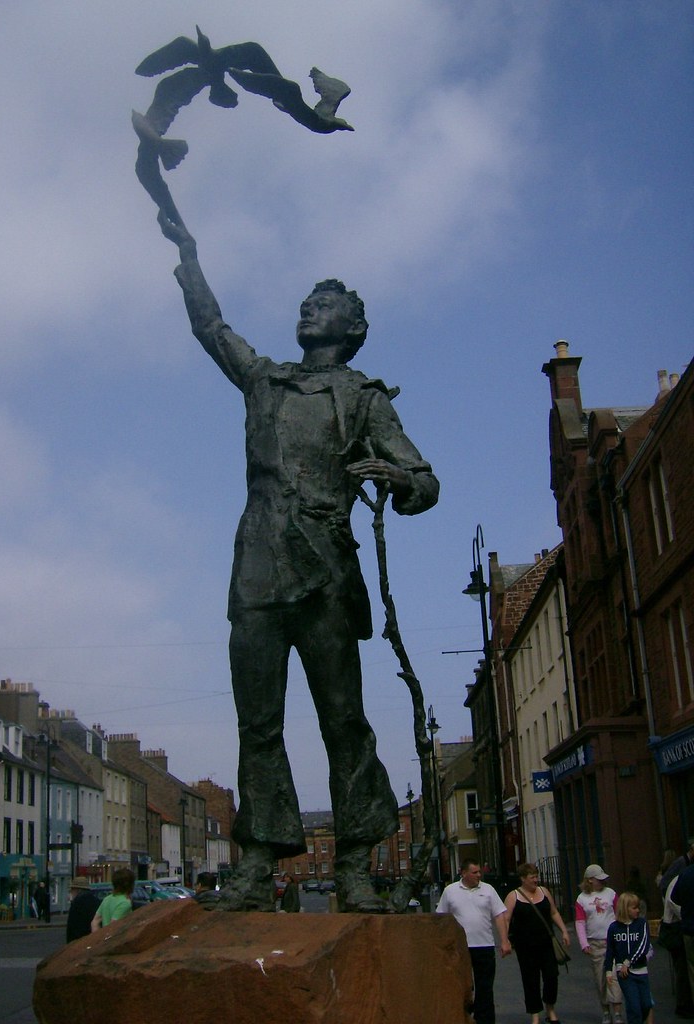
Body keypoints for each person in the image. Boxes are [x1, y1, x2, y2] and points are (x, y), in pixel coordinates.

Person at [157, 212, 439, 913]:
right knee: (258, 720)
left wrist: (399, 481)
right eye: (307, 301)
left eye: (326, 304)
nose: (309, 307)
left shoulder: (363, 397)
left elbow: (424, 479)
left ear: (350, 327)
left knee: (343, 719)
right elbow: (211, 328)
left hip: (325, 574)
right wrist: (189, 257)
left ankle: (353, 862)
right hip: (256, 565)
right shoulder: (265, 380)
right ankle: (257, 860)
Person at [436, 858, 511, 1024]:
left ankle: (484, 1020)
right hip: (460, 947)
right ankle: (462, 1016)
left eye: (479, 872)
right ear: (463, 873)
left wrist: (504, 940)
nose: (479, 875)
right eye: (475, 872)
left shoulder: (488, 890)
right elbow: (441, 917)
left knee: (485, 987)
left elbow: (499, 915)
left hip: (484, 945)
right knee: (462, 985)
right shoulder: (450, 891)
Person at [504, 862, 570, 1024]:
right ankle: (535, 1014)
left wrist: (564, 930)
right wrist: (504, 940)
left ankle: (550, 1008)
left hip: (546, 943)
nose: (535, 880)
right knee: (530, 980)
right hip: (525, 946)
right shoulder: (514, 896)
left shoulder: (544, 892)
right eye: (532, 877)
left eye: (536, 876)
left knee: (551, 976)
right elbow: (506, 919)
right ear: (523, 879)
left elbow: (553, 912)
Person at [575, 864, 623, 1024]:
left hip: (613, 942)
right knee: (600, 978)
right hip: (595, 943)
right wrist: (583, 943)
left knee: (614, 977)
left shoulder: (611, 894)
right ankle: (605, 1010)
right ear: (589, 880)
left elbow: (618, 914)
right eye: (598, 879)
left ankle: (617, 1012)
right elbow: (580, 922)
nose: (602, 882)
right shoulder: (582, 899)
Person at [604, 892, 654, 1024]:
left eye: (638, 907)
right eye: (634, 908)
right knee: (634, 1007)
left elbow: (643, 945)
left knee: (646, 1004)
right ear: (625, 909)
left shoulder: (641, 924)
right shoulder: (614, 928)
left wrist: (629, 961)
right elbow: (610, 951)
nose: (638, 910)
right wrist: (608, 970)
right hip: (625, 974)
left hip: (641, 970)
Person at [662, 873, 694, 1018]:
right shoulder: (681, 879)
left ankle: (685, 1004)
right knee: (682, 969)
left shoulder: (679, 878)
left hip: (677, 926)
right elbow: (674, 904)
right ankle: (684, 1005)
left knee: (684, 969)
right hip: (676, 927)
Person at [66, 877, 101, 942]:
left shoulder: (76, 903)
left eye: (72, 890)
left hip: (79, 941)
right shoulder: (97, 901)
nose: (71, 892)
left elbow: (72, 929)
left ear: (77, 890)